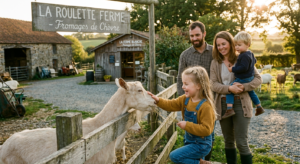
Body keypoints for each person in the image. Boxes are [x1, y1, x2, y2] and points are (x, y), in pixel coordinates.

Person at [210, 31, 262, 164]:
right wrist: (229, 89)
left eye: (224, 44)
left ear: (231, 43)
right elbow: (213, 84)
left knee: (241, 142)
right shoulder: (216, 63)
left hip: (241, 104)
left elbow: (257, 79)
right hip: (222, 105)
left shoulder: (242, 58)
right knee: (228, 141)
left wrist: (244, 87)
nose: (221, 47)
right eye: (218, 45)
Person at [148, 66, 216, 164]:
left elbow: (207, 129)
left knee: (175, 156)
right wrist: (158, 100)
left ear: (198, 86)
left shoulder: (206, 106)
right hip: (190, 141)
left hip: (202, 144)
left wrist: (187, 125)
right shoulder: (185, 99)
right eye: (183, 83)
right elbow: (171, 105)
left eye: (186, 84)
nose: (183, 87)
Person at [177, 21, 215, 161]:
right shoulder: (185, 55)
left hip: (210, 102)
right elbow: (180, 80)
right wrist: (184, 102)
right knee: (191, 136)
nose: (194, 38)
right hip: (191, 103)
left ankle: (206, 161)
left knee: (208, 134)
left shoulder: (214, 52)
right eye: (192, 36)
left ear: (204, 34)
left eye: (197, 35)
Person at [222, 31, 265, 119]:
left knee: (230, 89)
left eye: (239, 45)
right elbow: (254, 61)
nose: (237, 47)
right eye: (236, 45)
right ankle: (259, 107)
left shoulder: (243, 55)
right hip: (249, 77)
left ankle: (229, 109)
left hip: (243, 78)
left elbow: (243, 68)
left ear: (247, 44)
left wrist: (232, 69)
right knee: (251, 92)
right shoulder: (250, 53)